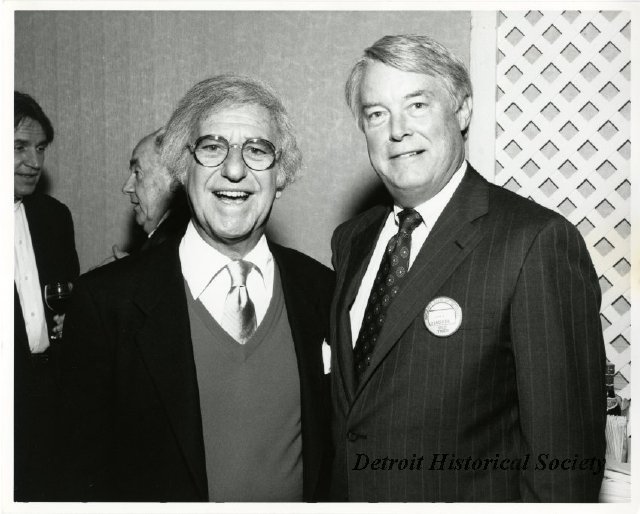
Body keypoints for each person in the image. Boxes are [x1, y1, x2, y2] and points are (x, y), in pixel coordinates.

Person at [329, 35, 606, 502]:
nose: (396, 130)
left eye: (417, 105)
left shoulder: (535, 242)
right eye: (377, 114)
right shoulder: (352, 240)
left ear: (462, 112)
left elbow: (565, 465)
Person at [60, 75, 334, 502]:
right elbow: (76, 477)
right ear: (182, 167)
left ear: (281, 174)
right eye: (212, 147)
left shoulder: (323, 291)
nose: (235, 169)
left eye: (258, 150)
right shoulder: (106, 304)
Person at [13, 91, 79, 500]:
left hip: (51, 397)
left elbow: (70, 301)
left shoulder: (54, 218)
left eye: (40, 149)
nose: (35, 163)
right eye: (19, 147)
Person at [115, 127, 190, 257]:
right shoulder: (161, 248)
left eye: (137, 172)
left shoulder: (176, 250)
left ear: (173, 177)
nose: (127, 187)